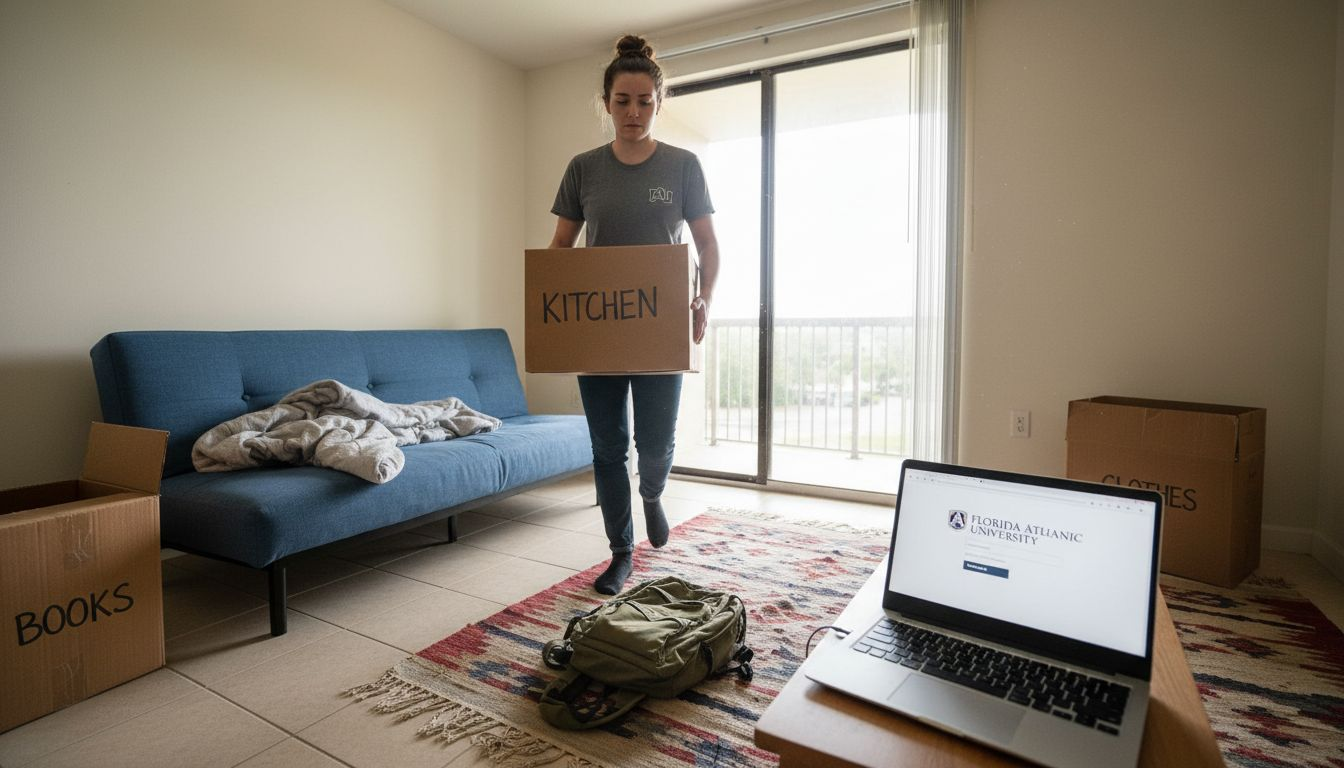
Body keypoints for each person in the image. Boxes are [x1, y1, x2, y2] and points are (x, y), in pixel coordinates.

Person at [548, 34, 720, 595]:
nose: (633, 112)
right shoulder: (583, 169)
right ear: (607, 104)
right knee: (606, 447)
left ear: (658, 103)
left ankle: (651, 494)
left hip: (659, 326)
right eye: (623, 101)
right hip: (596, 330)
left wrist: (704, 298)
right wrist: (547, 305)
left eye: (645, 101)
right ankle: (620, 551)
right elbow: (560, 250)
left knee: (656, 443)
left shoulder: (683, 166)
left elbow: (709, 246)